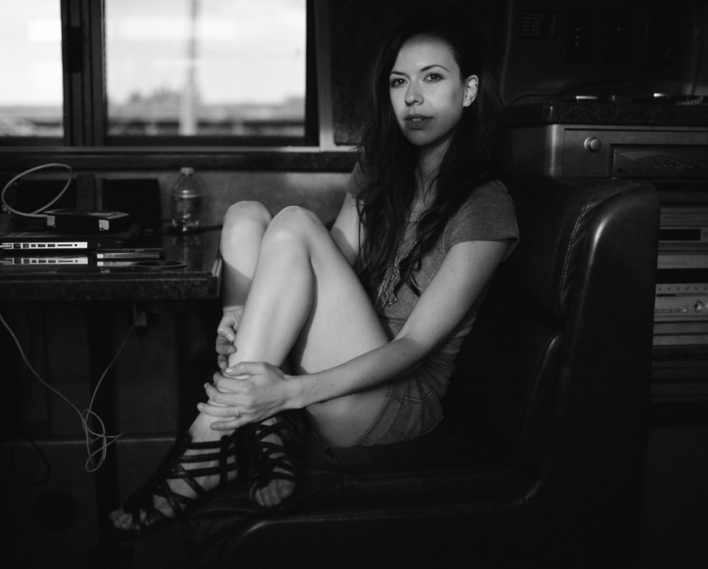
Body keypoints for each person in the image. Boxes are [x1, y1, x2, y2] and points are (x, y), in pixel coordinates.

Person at [110, 11, 519, 536]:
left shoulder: (485, 205)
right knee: (245, 215)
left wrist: (292, 392)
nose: (412, 97)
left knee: (296, 223)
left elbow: (415, 344)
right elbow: (336, 261)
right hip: (345, 359)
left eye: (432, 77)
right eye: (399, 82)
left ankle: (209, 440)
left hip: (394, 399)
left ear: (469, 91)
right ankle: (251, 387)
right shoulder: (383, 169)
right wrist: (244, 312)